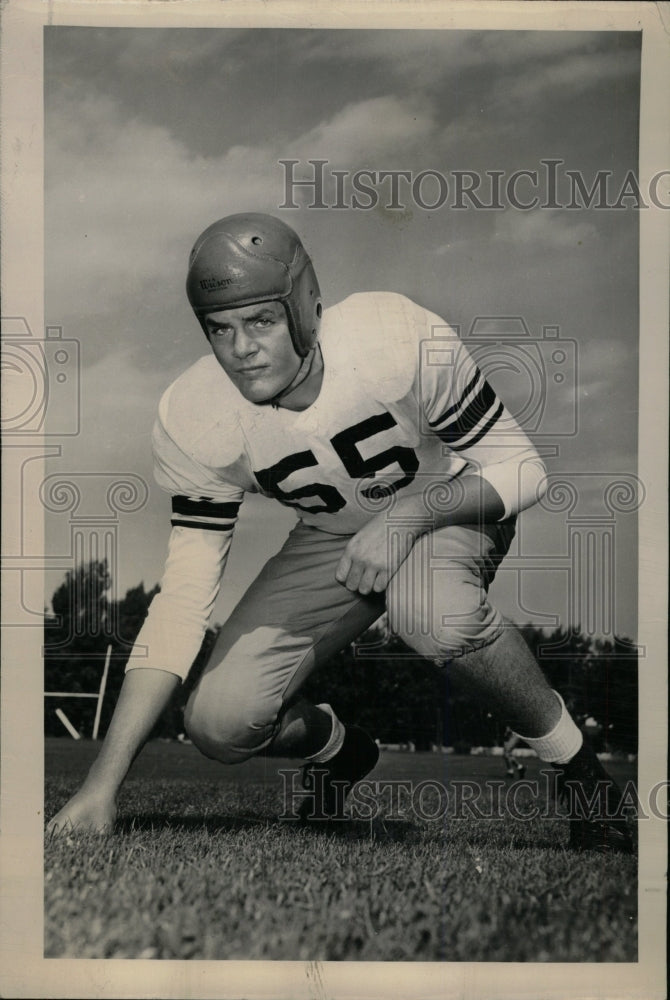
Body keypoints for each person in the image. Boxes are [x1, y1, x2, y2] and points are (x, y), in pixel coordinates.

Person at [48, 213, 632, 852]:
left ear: (305, 309)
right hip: (333, 535)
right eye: (220, 328)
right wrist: (101, 786)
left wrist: (407, 518)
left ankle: (581, 774)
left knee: (429, 612)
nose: (240, 348)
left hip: (447, 503)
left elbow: (523, 469)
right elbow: (183, 600)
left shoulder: (390, 337)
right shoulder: (192, 416)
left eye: (261, 321)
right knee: (218, 724)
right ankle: (341, 752)